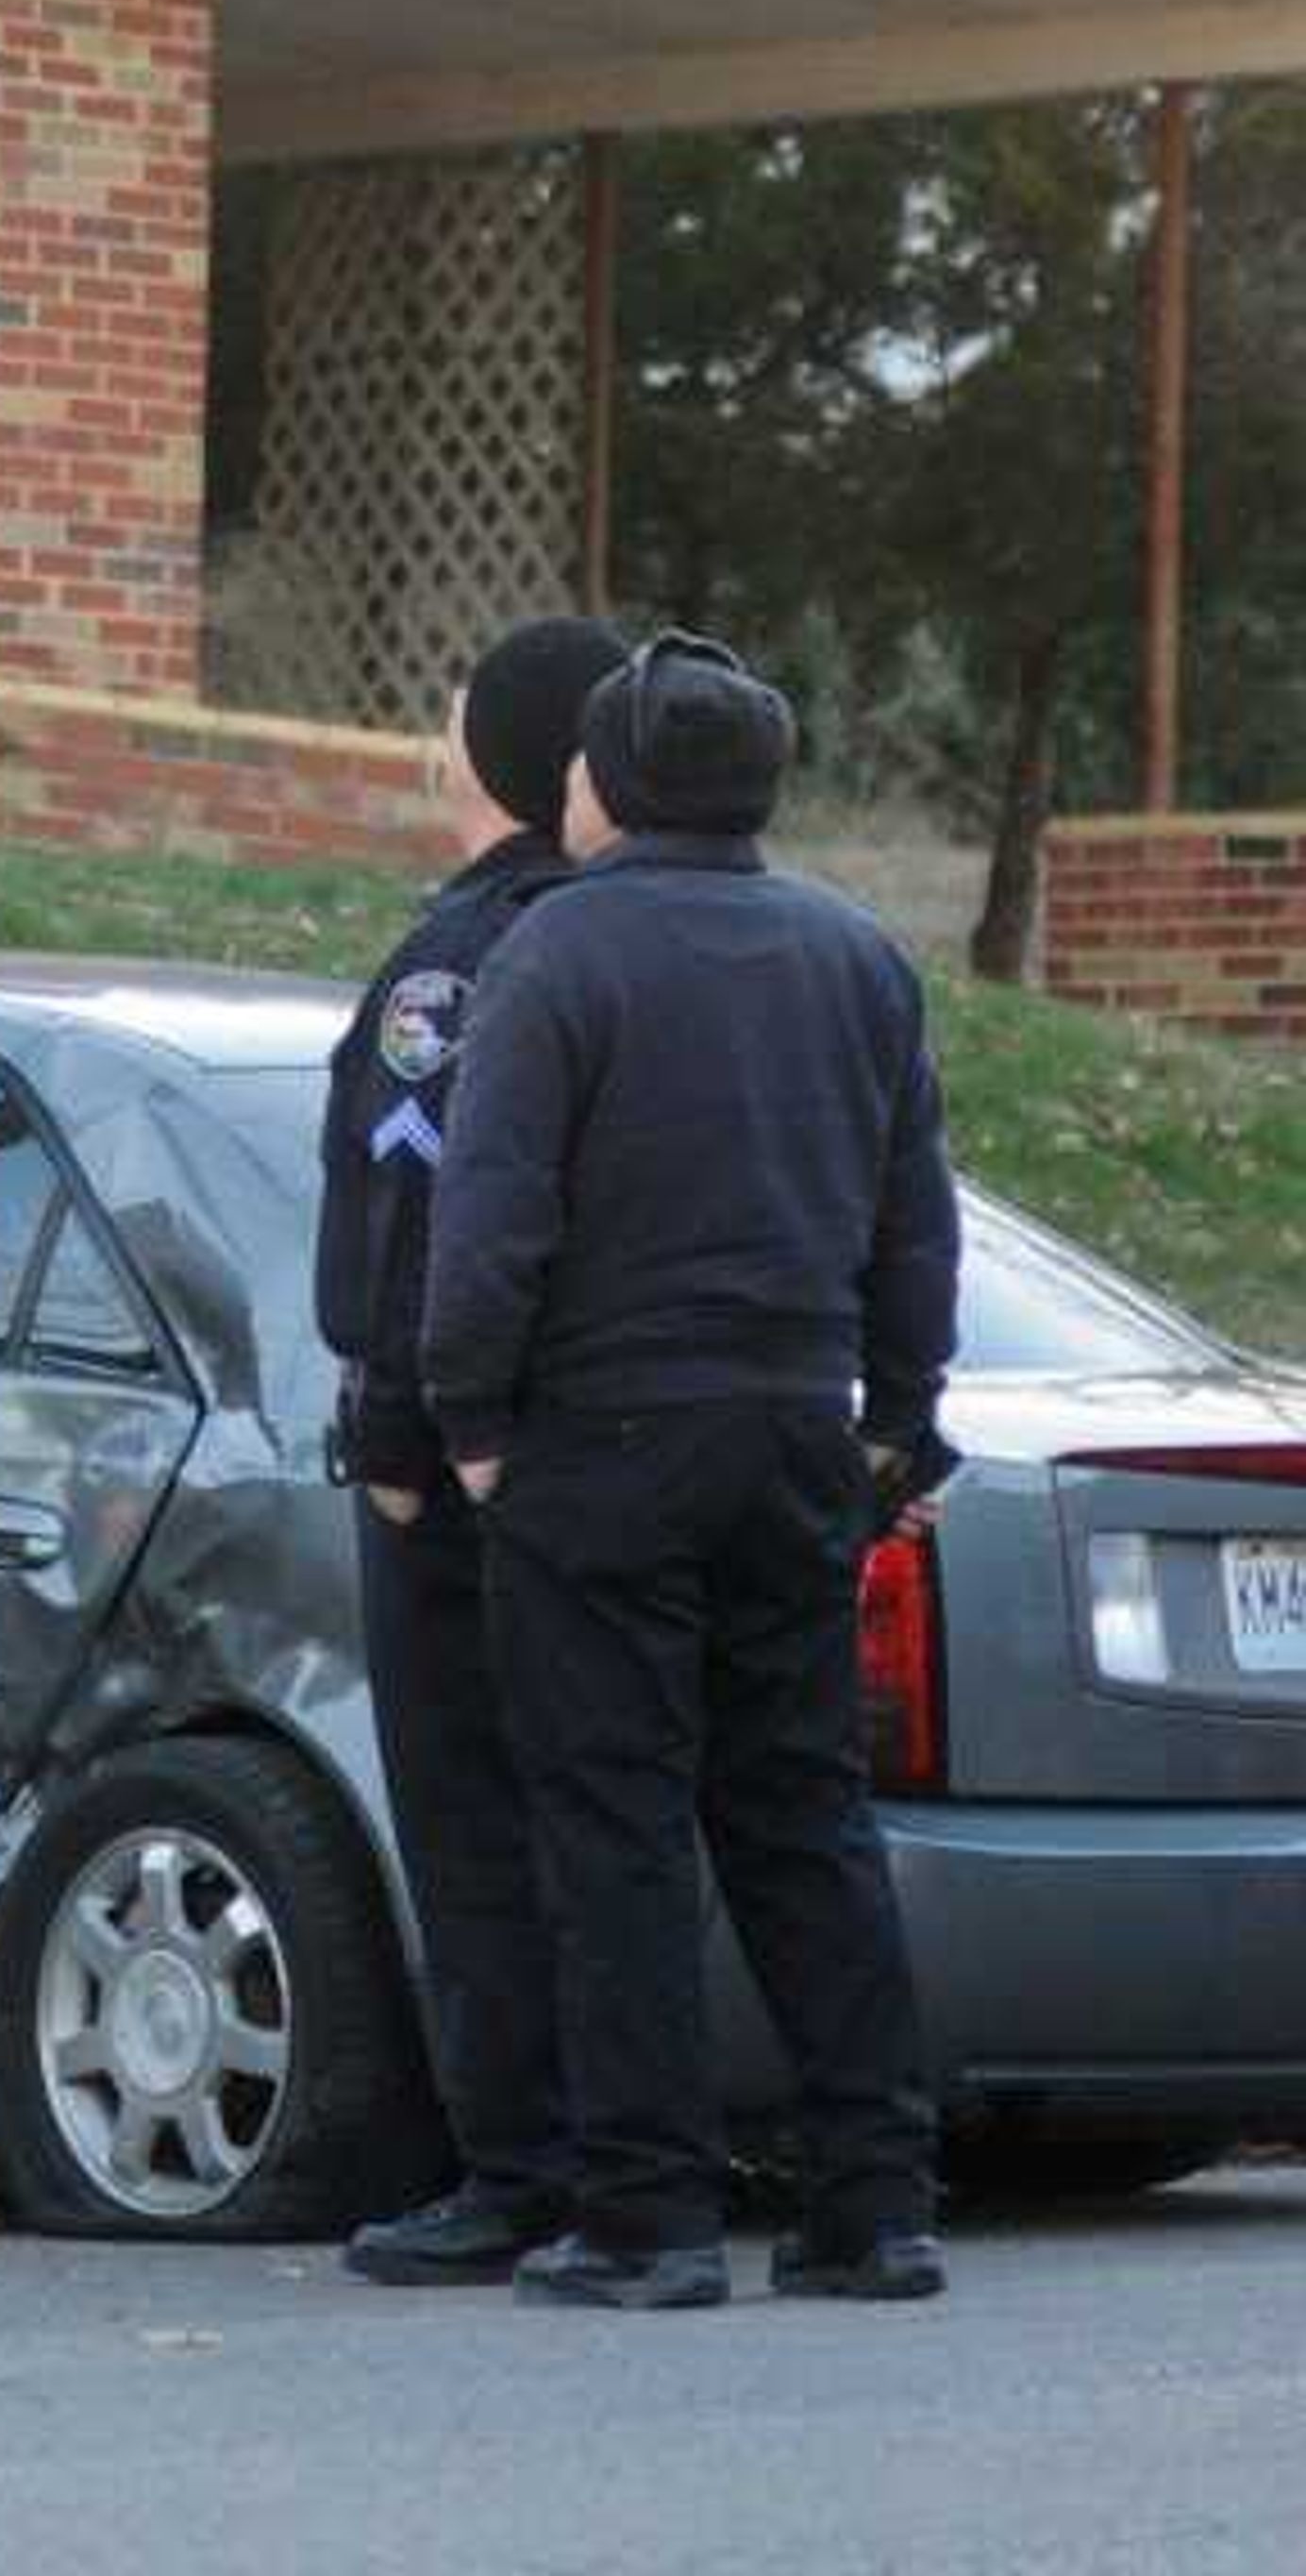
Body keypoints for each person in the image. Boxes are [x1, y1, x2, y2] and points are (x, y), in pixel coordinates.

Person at [422, 629, 961, 2315]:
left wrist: (473, 1424)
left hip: (603, 1438)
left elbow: (491, 1210)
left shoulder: (561, 954)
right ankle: (875, 2202)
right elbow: (911, 1215)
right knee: (805, 1813)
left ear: (620, 781)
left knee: (615, 1823)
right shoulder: (857, 956)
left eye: (583, 762)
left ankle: (647, 2214)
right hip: (797, 1428)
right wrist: (901, 1412)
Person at [316, 610, 629, 2286]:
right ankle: (623, 2146)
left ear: (501, 759)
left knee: (474, 1814)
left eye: (451, 728)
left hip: (463, 1461)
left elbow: (408, 1202)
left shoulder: (465, 958)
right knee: (600, 1811)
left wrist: (393, 1431)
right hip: (614, 1450)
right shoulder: (639, 939)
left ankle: (515, 2164)